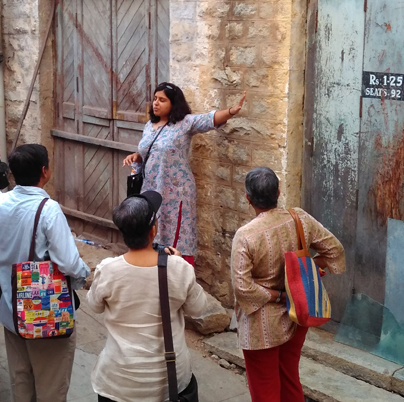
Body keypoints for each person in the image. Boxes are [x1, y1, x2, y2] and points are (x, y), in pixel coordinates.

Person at [0, 144, 91, 402]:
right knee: (51, 386)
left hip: (12, 309)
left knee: (22, 380)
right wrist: (82, 276)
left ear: (12, 174)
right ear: (45, 171)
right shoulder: (49, 209)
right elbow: (67, 262)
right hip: (47, 313)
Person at [230, 167, 345, 402]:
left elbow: (242, 288)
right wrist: (306, 273)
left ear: (248, 198)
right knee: (289, 376)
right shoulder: (298, 218)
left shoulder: (246, 235)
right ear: (278, 192)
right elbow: (335, 250)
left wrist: (277, 296)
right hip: (297, 313)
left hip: (261, 323)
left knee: (265, 389)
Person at [86, 191, 206, 401]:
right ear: (153, 230)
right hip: (170, 381)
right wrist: (179, 263)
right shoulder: (178, 268)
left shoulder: (108, 270)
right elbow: (198, 308)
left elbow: (94, 305)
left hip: (119, 380)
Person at [123, 82, 246, 265]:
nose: (156, 103)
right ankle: (155, 272)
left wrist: (231, 111)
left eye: (162, 100)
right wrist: (136, 157)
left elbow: (209, 119)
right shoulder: (150, 125)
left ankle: (179, 277)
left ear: (174, 103)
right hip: (151, 190)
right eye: (155, 99)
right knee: (152, 230)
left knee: (177, 234)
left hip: (176, 192)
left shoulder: (185, 123)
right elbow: (148, 151)